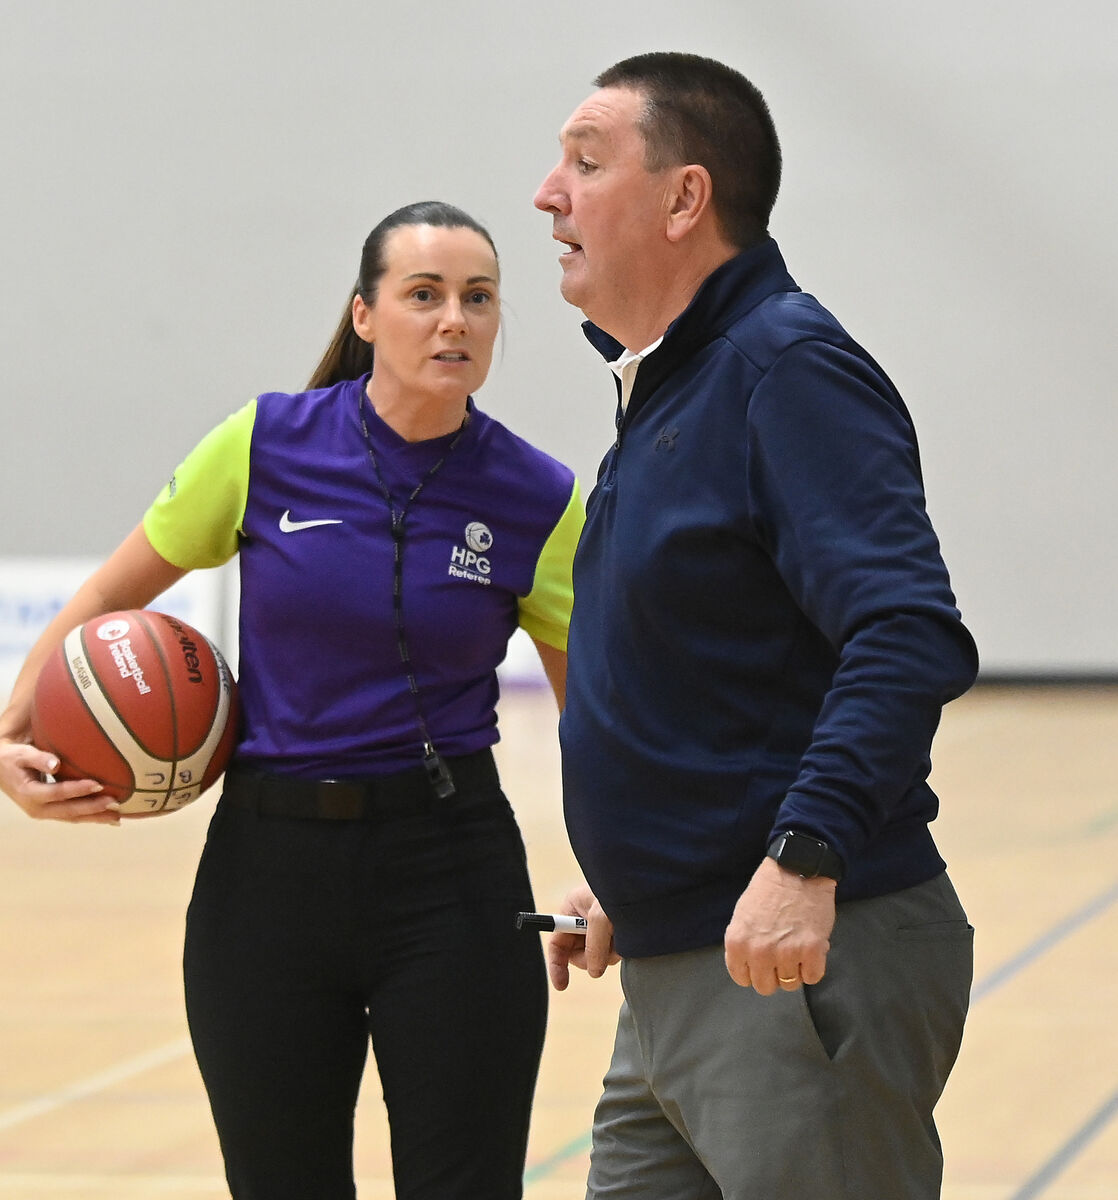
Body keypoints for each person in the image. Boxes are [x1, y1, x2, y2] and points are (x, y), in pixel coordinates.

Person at [0, 200, 583, 1200]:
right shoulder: (263, 444)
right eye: (424, 294)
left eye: (478, 298)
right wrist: (10, 737)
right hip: (267, 879)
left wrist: (613, 871)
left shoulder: (538, 496)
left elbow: (594, 719)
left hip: (452, 873)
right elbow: (104, 598)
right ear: (364, 314)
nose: (454, 319)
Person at [532, 52, 979, 1199]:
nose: (547, 193)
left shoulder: (783, 369)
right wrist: (638, 877)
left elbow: (905, 630)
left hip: (797, 965)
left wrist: (803, 854)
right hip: (676, 964)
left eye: (585, 162)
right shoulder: (670, 388)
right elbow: (715, 676)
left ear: (683, 198)